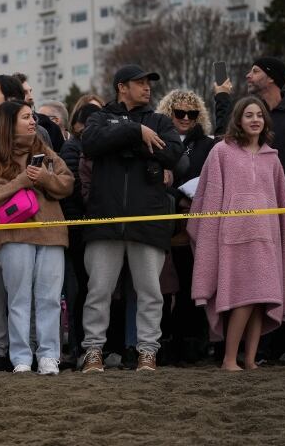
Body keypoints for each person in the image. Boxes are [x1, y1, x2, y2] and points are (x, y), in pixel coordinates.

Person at [80, 64, 182, 373]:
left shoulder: (160, 121)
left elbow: (174, 153)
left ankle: (147, 352)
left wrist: (132, 140)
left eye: (149, 82)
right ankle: (93, 351)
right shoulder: (99, 117)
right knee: (98, 291)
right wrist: (134, 132)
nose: (147, 87)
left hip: (148, 221)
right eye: (140, 82)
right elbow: (91, 143)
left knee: (150, 292)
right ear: (122, 86)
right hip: (104, 221)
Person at [189, 96, 285, 370]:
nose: (255, 120)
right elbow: (209, 197)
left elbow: (280, 204)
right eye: (249, 115)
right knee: (241, 300)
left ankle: (249, 359)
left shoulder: (273, 159)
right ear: (238, 120)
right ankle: (228, 359)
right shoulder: (222, 151)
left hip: (266, 240)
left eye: (259, 115)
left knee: (262, 300)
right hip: (232, 241)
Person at [0, 101, 74, 374]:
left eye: (33, 117)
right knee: (18, 298)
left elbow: (68, 184)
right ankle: (20, 357)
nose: (33, 122)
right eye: (27, 117)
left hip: (52, 232)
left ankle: (49, 356)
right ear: (10, 123)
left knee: (50, 298)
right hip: (14, 233)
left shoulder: (45, 150)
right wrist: (20, 182)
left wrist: (44, 178)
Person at [156, 89, 216, 364]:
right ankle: (166, 343)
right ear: (169, 113)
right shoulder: (158, 140)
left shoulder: (206, 144)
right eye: (179, 112)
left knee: (192, 285)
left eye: (191, 114)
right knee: (162, 287)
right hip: (162, 220)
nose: (185, 118)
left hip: (195, 220)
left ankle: (193, 344)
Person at [58, 103, 101, 357]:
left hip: (88, 225)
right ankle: (78, 345)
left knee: (90, 289)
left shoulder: (86, 147)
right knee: (81, 289)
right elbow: (73, 190)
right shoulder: (73, 147)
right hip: (78, 228)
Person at [12, 72, 64, 152]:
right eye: (25, 93)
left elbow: (57, 161)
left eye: (30, 91)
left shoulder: (49, 127)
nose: (31, 97)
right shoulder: (0, 128)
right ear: (12, 97)